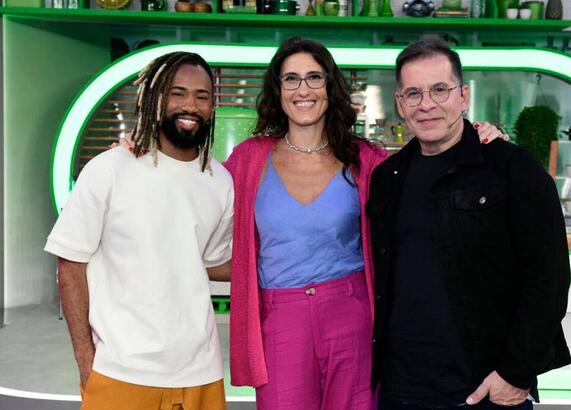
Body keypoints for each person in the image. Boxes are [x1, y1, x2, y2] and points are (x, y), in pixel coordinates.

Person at [224, 37, 507, 410]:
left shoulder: (366, 158)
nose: (303, 89)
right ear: (277, 90)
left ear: (331, 86)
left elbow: (424, 174)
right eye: (290, 79)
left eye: (314, 77)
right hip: (280, 318)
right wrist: (137, 153)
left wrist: (476, 135)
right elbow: (195, 196)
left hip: (352, 316)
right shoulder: (248, 159)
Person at [367, 39, 571, 410]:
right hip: (402, 389)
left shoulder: (513, 169)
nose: (426, 103)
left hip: (484, 390)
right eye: (413, 93)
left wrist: (516, 372)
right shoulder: (386, 178)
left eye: (439, 89)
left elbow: (549, 280)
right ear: (400, 104)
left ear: (463, 96)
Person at [44, 52, 233, 410]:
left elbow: (209, 263)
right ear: (155, 99)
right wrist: (87, 363)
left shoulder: (221, 181)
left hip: (201, 373)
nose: (190, 105)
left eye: (202, 96)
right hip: (121, 373)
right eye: (177, 93)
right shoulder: (109, 169)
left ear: (212, 106)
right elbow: (70, 265)